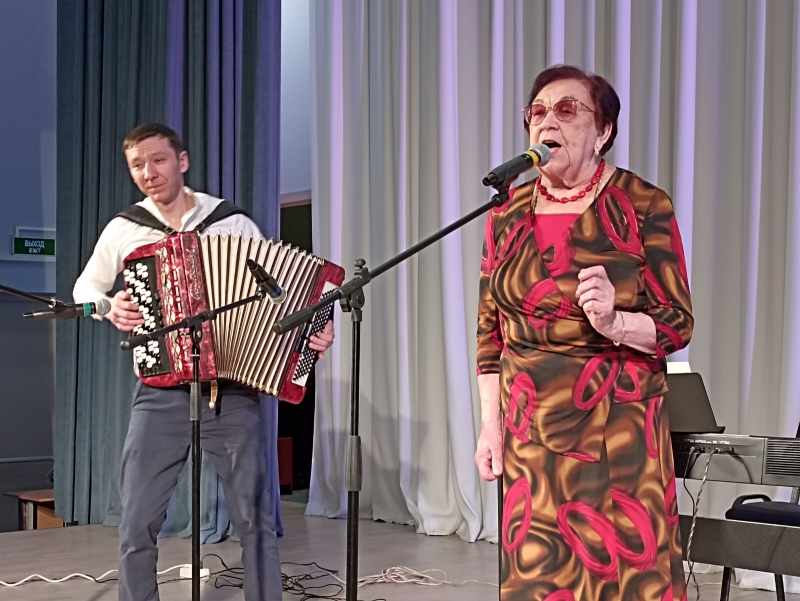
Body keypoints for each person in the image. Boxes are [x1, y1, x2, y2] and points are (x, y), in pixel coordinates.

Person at [73, 122, 335, 601]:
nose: (148, 173)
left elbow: (282, 296)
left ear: (182, 161)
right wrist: (109, 307)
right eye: (137, 165)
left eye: (157, 160)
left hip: (230, 391)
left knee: (255, 518)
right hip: (159, 392)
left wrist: (314, 329)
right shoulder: (125, 228)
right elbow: (84, 288)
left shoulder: (230, 223)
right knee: (137, 519)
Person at [474, 66, 693, 601]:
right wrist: (490, 426)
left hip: (618, 428)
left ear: (603, 131)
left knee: (626, 579)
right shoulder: (505, 213)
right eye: (537, 112)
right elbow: (490, 334)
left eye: (567, 110)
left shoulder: (643, 203)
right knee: (539, 578)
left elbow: (677, 321)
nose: (547, 122)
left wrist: (617, 323)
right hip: (530, 436)